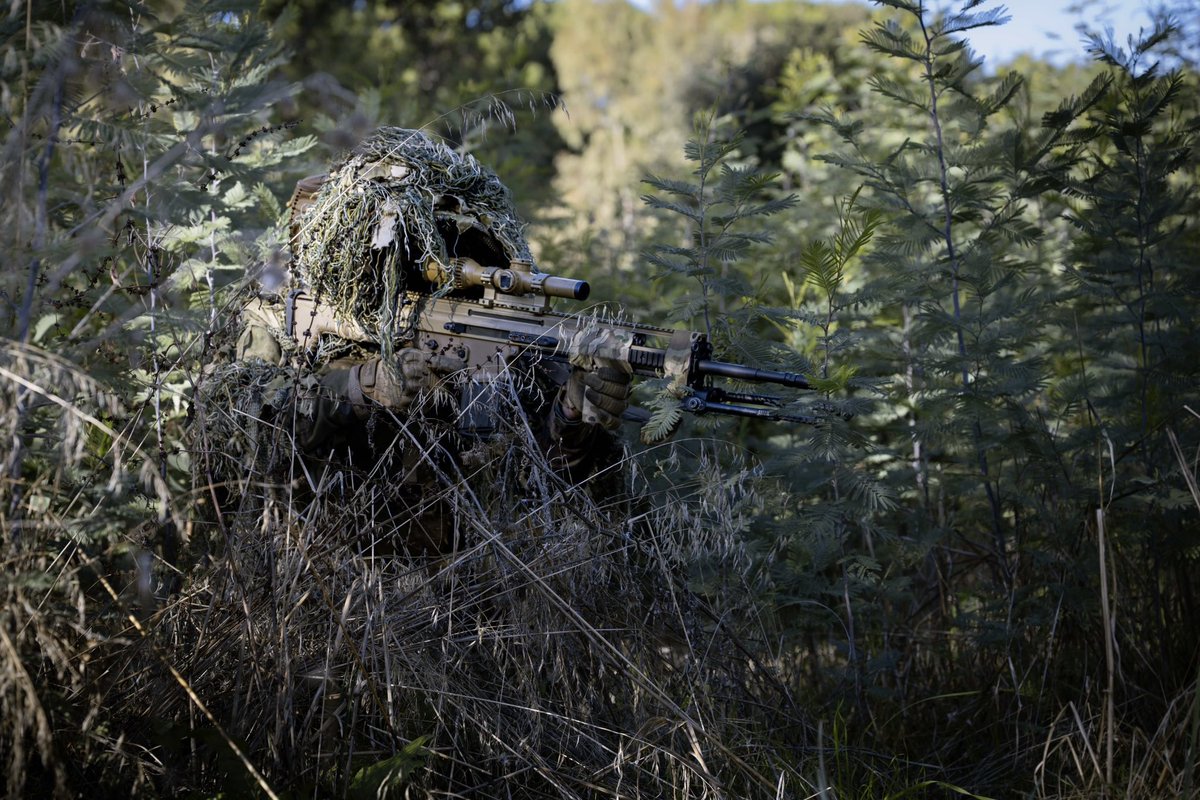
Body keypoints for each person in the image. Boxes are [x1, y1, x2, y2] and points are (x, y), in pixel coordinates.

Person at [192, 127, 631, 554]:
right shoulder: (280, 314)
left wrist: (574, 415)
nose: (400, 268)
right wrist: (363, 385)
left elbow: (553, 479)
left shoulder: (492, 321)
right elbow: (247, 434)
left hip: (468, 585)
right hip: (333, 573)